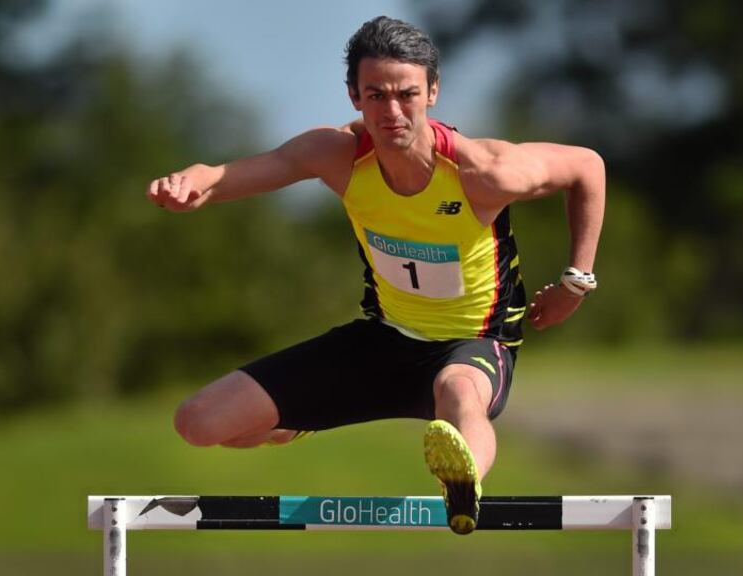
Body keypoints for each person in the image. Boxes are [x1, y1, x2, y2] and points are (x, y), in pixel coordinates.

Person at [148, 15, 604, 535]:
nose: (392, 112)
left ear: (433, 91)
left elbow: (587, 166)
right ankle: (298, 421)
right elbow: (251, 170)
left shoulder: (485, 172)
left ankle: (463, 483)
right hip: (383, 340)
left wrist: (575, 283)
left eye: (406, 94)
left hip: (472, 343)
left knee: (457, 391)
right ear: (353, 96)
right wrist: (195, 180)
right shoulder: (337, 156)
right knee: (199, 423)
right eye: (376, 95)